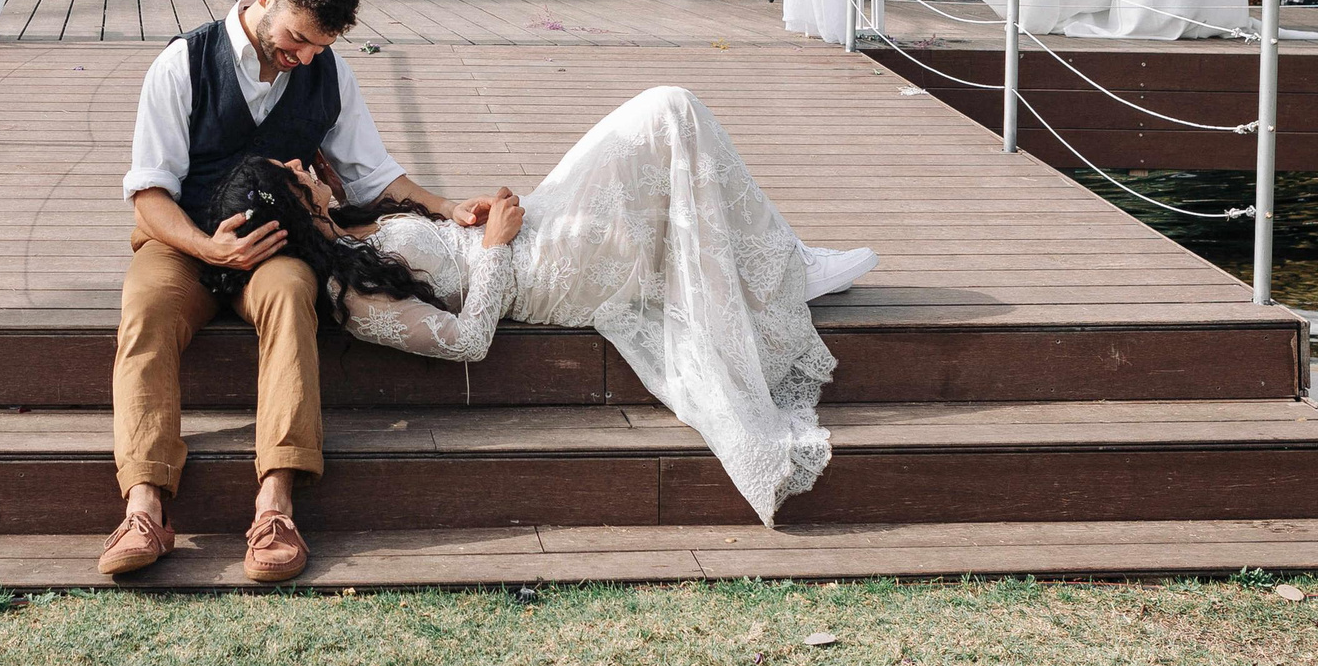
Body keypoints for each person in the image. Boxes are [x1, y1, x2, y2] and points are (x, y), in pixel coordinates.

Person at [206, 85, 879, 527]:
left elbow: (437, 247)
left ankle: (781, 261)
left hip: (537, 225)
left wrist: (466, 216)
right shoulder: (348, 298)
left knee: (669, 113)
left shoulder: (352, 224)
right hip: (546, 269)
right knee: (668, 114)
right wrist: (494, 245)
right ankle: (783, 270)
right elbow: (468, 339)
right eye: (292, 175)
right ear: (288, 208)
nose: (302, 167)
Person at [99, 0, 505, 582]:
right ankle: (146, 505)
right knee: (145, 307)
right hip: (185, 241)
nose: (306, 56)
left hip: (278, 248)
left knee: (294, 298)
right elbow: (148, 195)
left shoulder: (326, 71)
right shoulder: (181, 64)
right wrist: (209, 247)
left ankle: (276, 506)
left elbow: (373, 176)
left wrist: (448, 207)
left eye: (320, 46)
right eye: (297, 39)